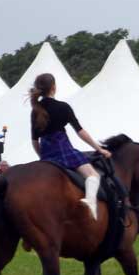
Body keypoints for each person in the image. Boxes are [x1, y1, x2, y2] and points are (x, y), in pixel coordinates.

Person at [28, 72, 112, 217]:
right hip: (63, 149)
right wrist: (99, 149)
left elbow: (35, 141)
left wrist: (42, 157)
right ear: (53, 87)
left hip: (47, 152)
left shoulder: (35, 111)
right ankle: (90, 201)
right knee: (92, 175)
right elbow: (80, 131)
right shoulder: (63, 107)